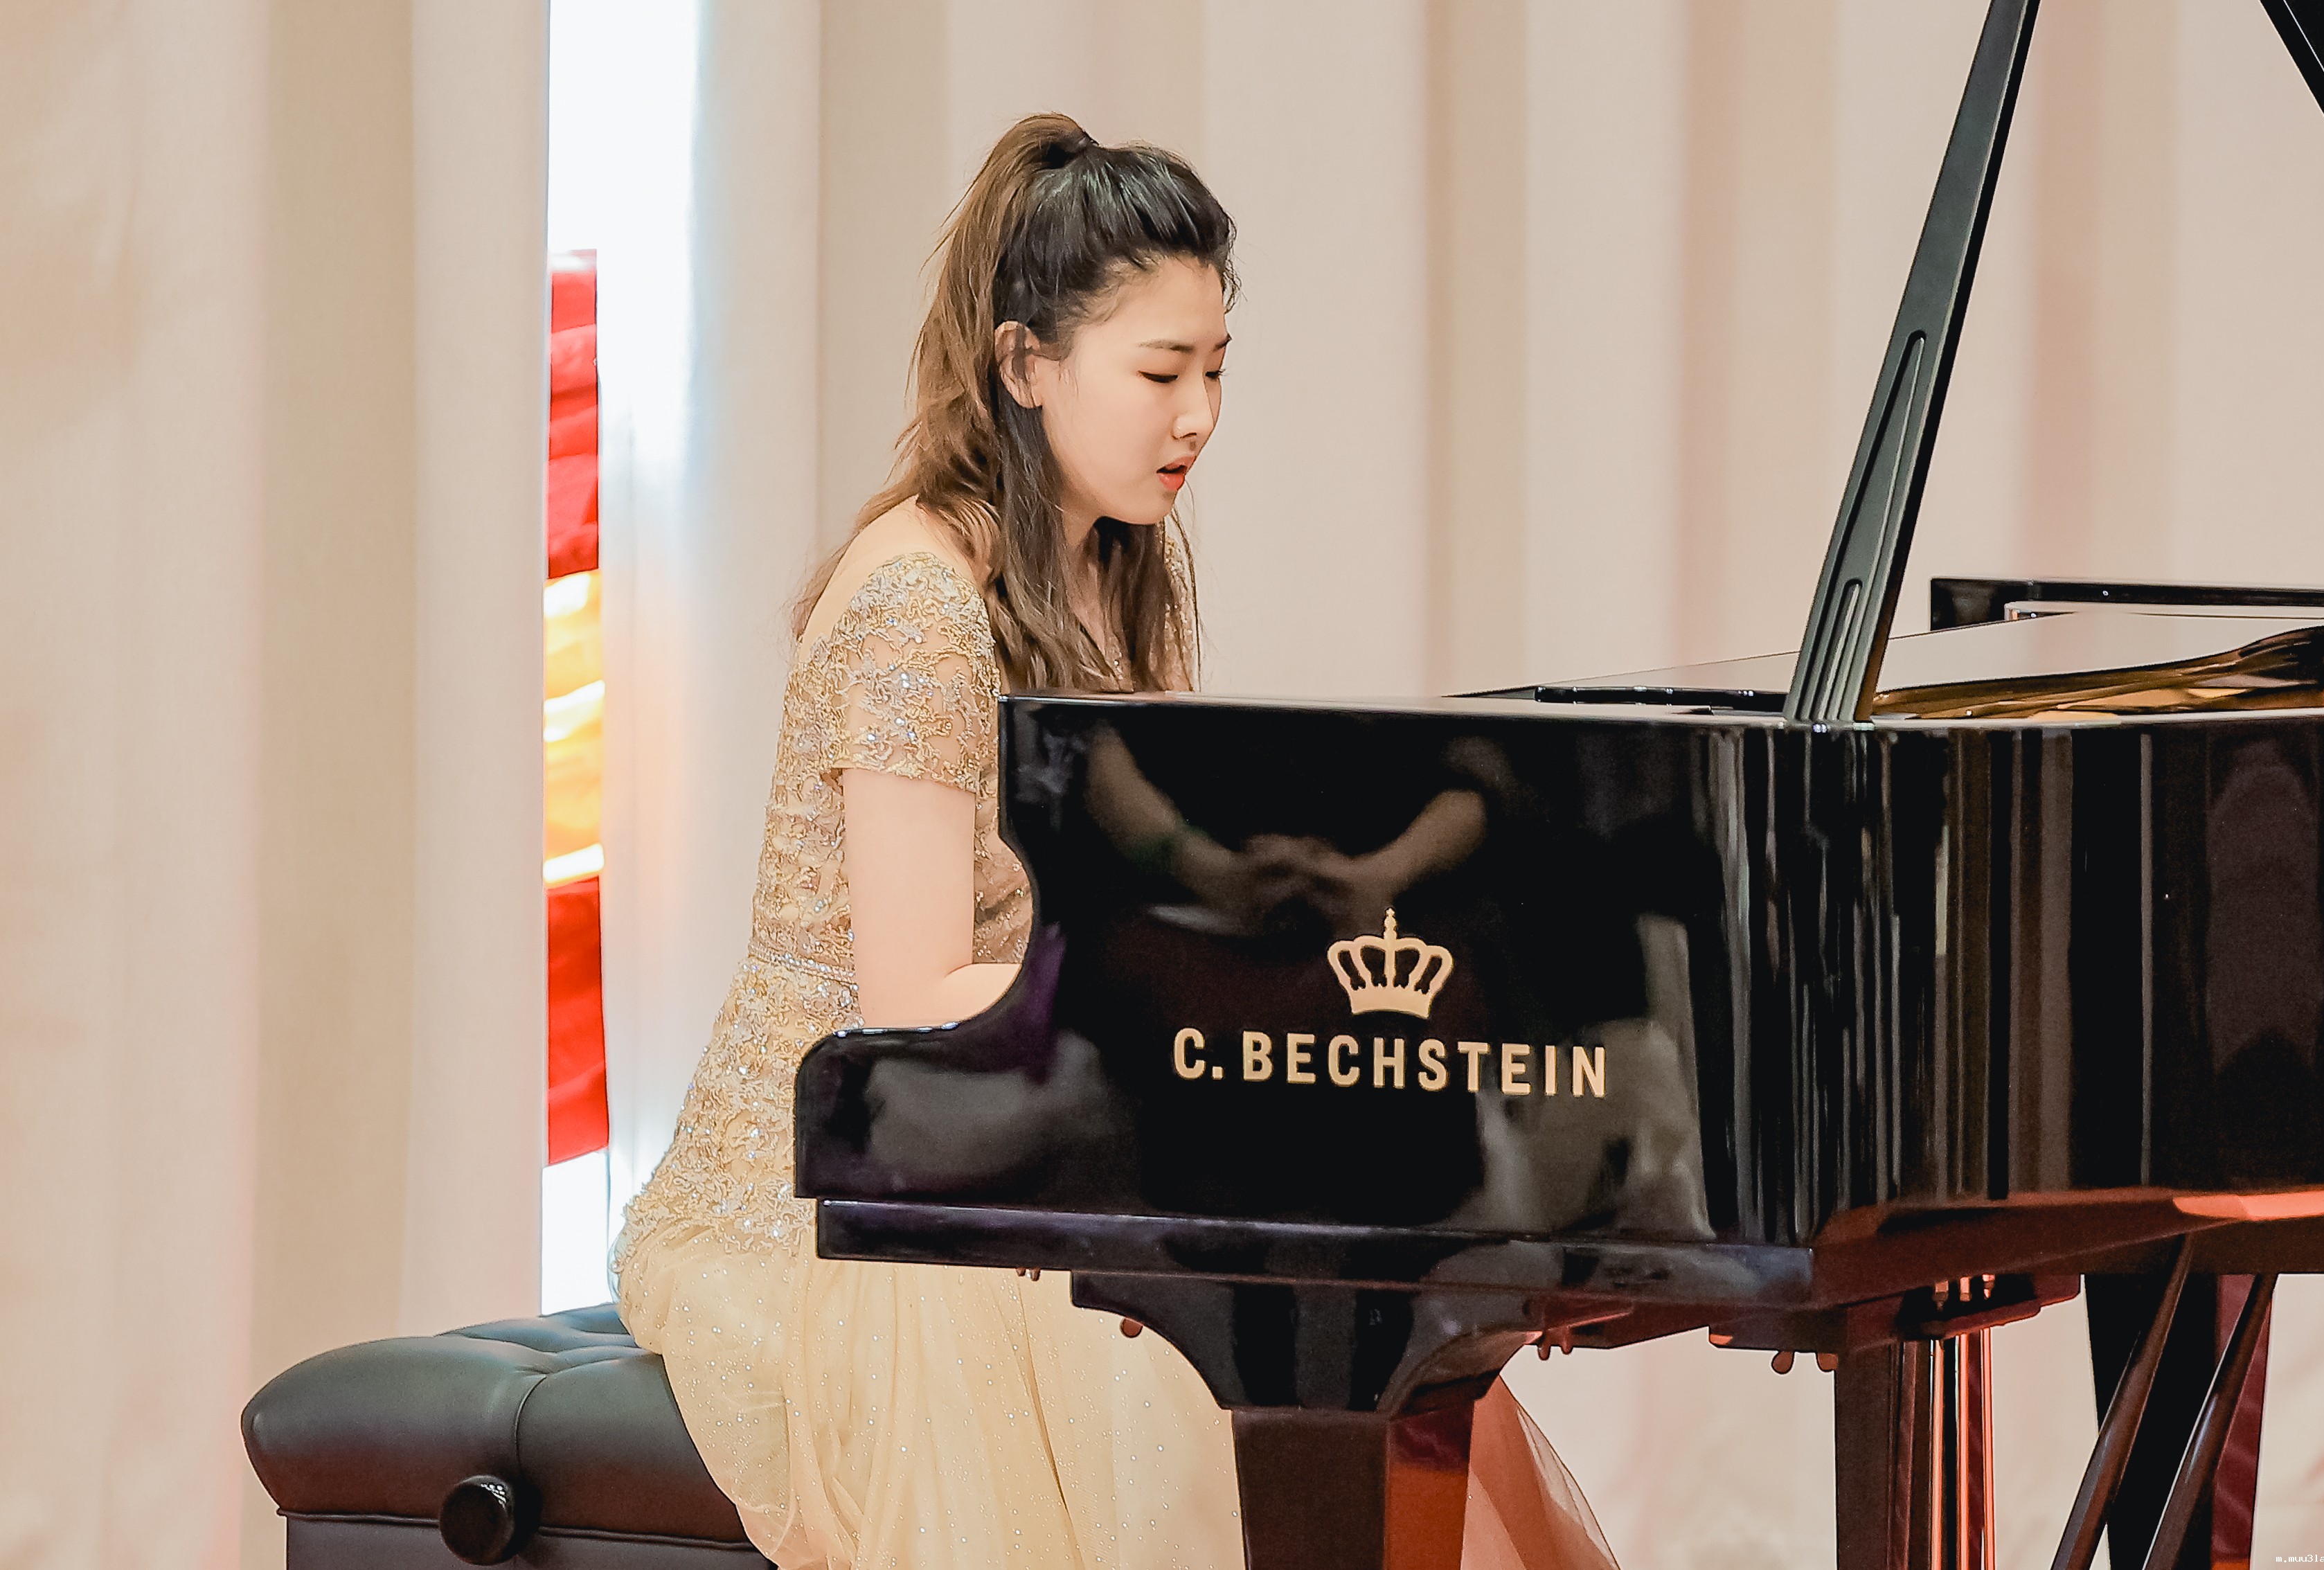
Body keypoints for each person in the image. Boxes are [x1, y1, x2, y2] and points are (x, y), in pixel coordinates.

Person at [616, 111, 1618, 1570]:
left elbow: (1128, 855)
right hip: (855, 1188)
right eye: (1160, 374)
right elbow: (912, 999)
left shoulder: (1109, 563)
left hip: (1024, 1132)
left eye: (1216, 369)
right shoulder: (916, 606)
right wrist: (1193, 1010)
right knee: (1185, 1359)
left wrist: (1279, 911)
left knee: (1361, 1335)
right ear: (1025, 364)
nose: (1197, 416)